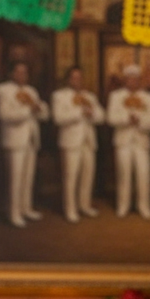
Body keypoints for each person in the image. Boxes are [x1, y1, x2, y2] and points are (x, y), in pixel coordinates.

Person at [0, 60, 50, 228]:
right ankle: (13, 213)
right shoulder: (2, 90)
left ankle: (26, 208)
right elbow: (4, 115)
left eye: (25, 72)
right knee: (15, 178)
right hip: (14, 138)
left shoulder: (32, 91)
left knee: (28, 176)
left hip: (31, 138)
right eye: (18, 72)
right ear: (11, 73)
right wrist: (28, 111)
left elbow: (44, 115)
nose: (22, 75)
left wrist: (40, 108)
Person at [51, 66, 105, 223]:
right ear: (68, 80)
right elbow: (58, 118)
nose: (77, 80)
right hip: (70, 141)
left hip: (88, 140)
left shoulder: (90, 96)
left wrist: (92, 113)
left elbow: (102, 116)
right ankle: (70, 209)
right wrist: (79, 113)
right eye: (74, 77)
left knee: (88, 175)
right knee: (70, 177)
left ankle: (85, 205)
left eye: (80, 77)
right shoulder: (59, 96)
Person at [106, 64, 150, 219]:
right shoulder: (116, 96)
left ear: (139, 80)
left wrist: (140, 120)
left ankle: (144, 206)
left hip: (142, 141)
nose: (132, 82)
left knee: (143, 174)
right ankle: (123, 205)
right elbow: (110, 118)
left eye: (135, 79)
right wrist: (126, 119)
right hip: (123, 140)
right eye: (129, 79)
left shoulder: (149, 97)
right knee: (124, 174)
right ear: (125, 80)